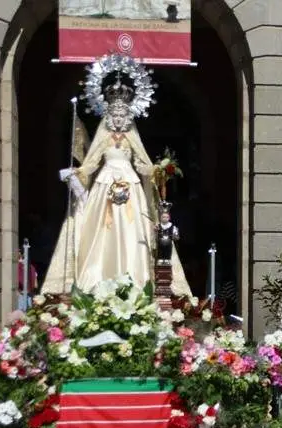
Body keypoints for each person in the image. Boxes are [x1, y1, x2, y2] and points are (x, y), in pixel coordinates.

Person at [42, 74, 191, 297]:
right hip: (104, 186)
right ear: (108, 115)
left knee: (135, 232)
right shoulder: (103, 139)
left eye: (122, 115)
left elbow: (142, 164)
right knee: (101, 233)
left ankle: (136, 279)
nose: (119, 119)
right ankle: (97, 279)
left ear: (128, 116)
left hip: (130, 185)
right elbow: (91, 163)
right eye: (115, 114)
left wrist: (157, 170)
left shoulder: (132, 139)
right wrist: (77, 172)